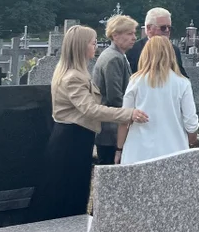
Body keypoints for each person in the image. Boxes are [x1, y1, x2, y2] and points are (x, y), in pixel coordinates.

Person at [29, 26, 148, 221]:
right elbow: (90, 109)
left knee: (75, 190)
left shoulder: (76, 72)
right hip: (71, 140)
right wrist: (128, 114)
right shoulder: (73, 77)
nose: (96, 47)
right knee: (67, 193)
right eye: (93, 43)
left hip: (76, 137)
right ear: (81, 47)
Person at [116, 35, 199, 165]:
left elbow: (125, 119)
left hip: (138, 149)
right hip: (174, 148)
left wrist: (119, 148)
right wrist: (191, 141)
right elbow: (191, 122)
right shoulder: (183, 83)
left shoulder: (135, 81)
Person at [92, 14, 138, 164]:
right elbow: (115, 98)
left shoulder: (117, 55)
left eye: (134, 33)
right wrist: (133, 114)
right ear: (115, 35)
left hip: (111, 130)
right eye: (129, 33)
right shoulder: (113, 58)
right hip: (111, 132)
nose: (134, 37)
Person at [127, 7, 188, 76]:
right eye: (163, 28)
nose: (167, 30)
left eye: (169, 28)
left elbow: (182, 76)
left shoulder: (174, 49)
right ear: (149, 28)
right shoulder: (133, 49)